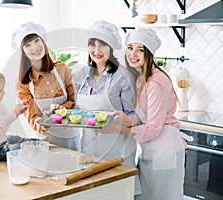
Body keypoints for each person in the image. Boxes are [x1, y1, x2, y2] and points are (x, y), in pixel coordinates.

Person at [102, 27, 186, 200]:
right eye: (130, 48)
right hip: (151, 151)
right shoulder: (140, 77)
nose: (133, 54)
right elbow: (143, 117)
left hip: (165, 151)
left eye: (140, 50)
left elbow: (154, 127)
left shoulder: (155, 82)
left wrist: (117, 129)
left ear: (149, 53)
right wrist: (124, 119)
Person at [73, 20, 141, 195]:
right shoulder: (81, 74)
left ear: (111, 47)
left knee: (116, 194)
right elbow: (74, 109)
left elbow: (135, 117)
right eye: (92, 44)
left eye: (102, 44)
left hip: (118, 151)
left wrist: (118, 123)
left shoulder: (122, 76)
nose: (96, 50)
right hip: (89, 148)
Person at [13, 22, 80, 150]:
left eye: (37, 40)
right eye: (28, 45)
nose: (35, 47)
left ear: (43, 41)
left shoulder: (62, 69)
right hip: (44, 139)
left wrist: (62, 108)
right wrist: (45, 123)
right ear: (23, 52)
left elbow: (73, 99)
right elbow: (31, 116)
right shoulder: (24, 82)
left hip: (70, 137)